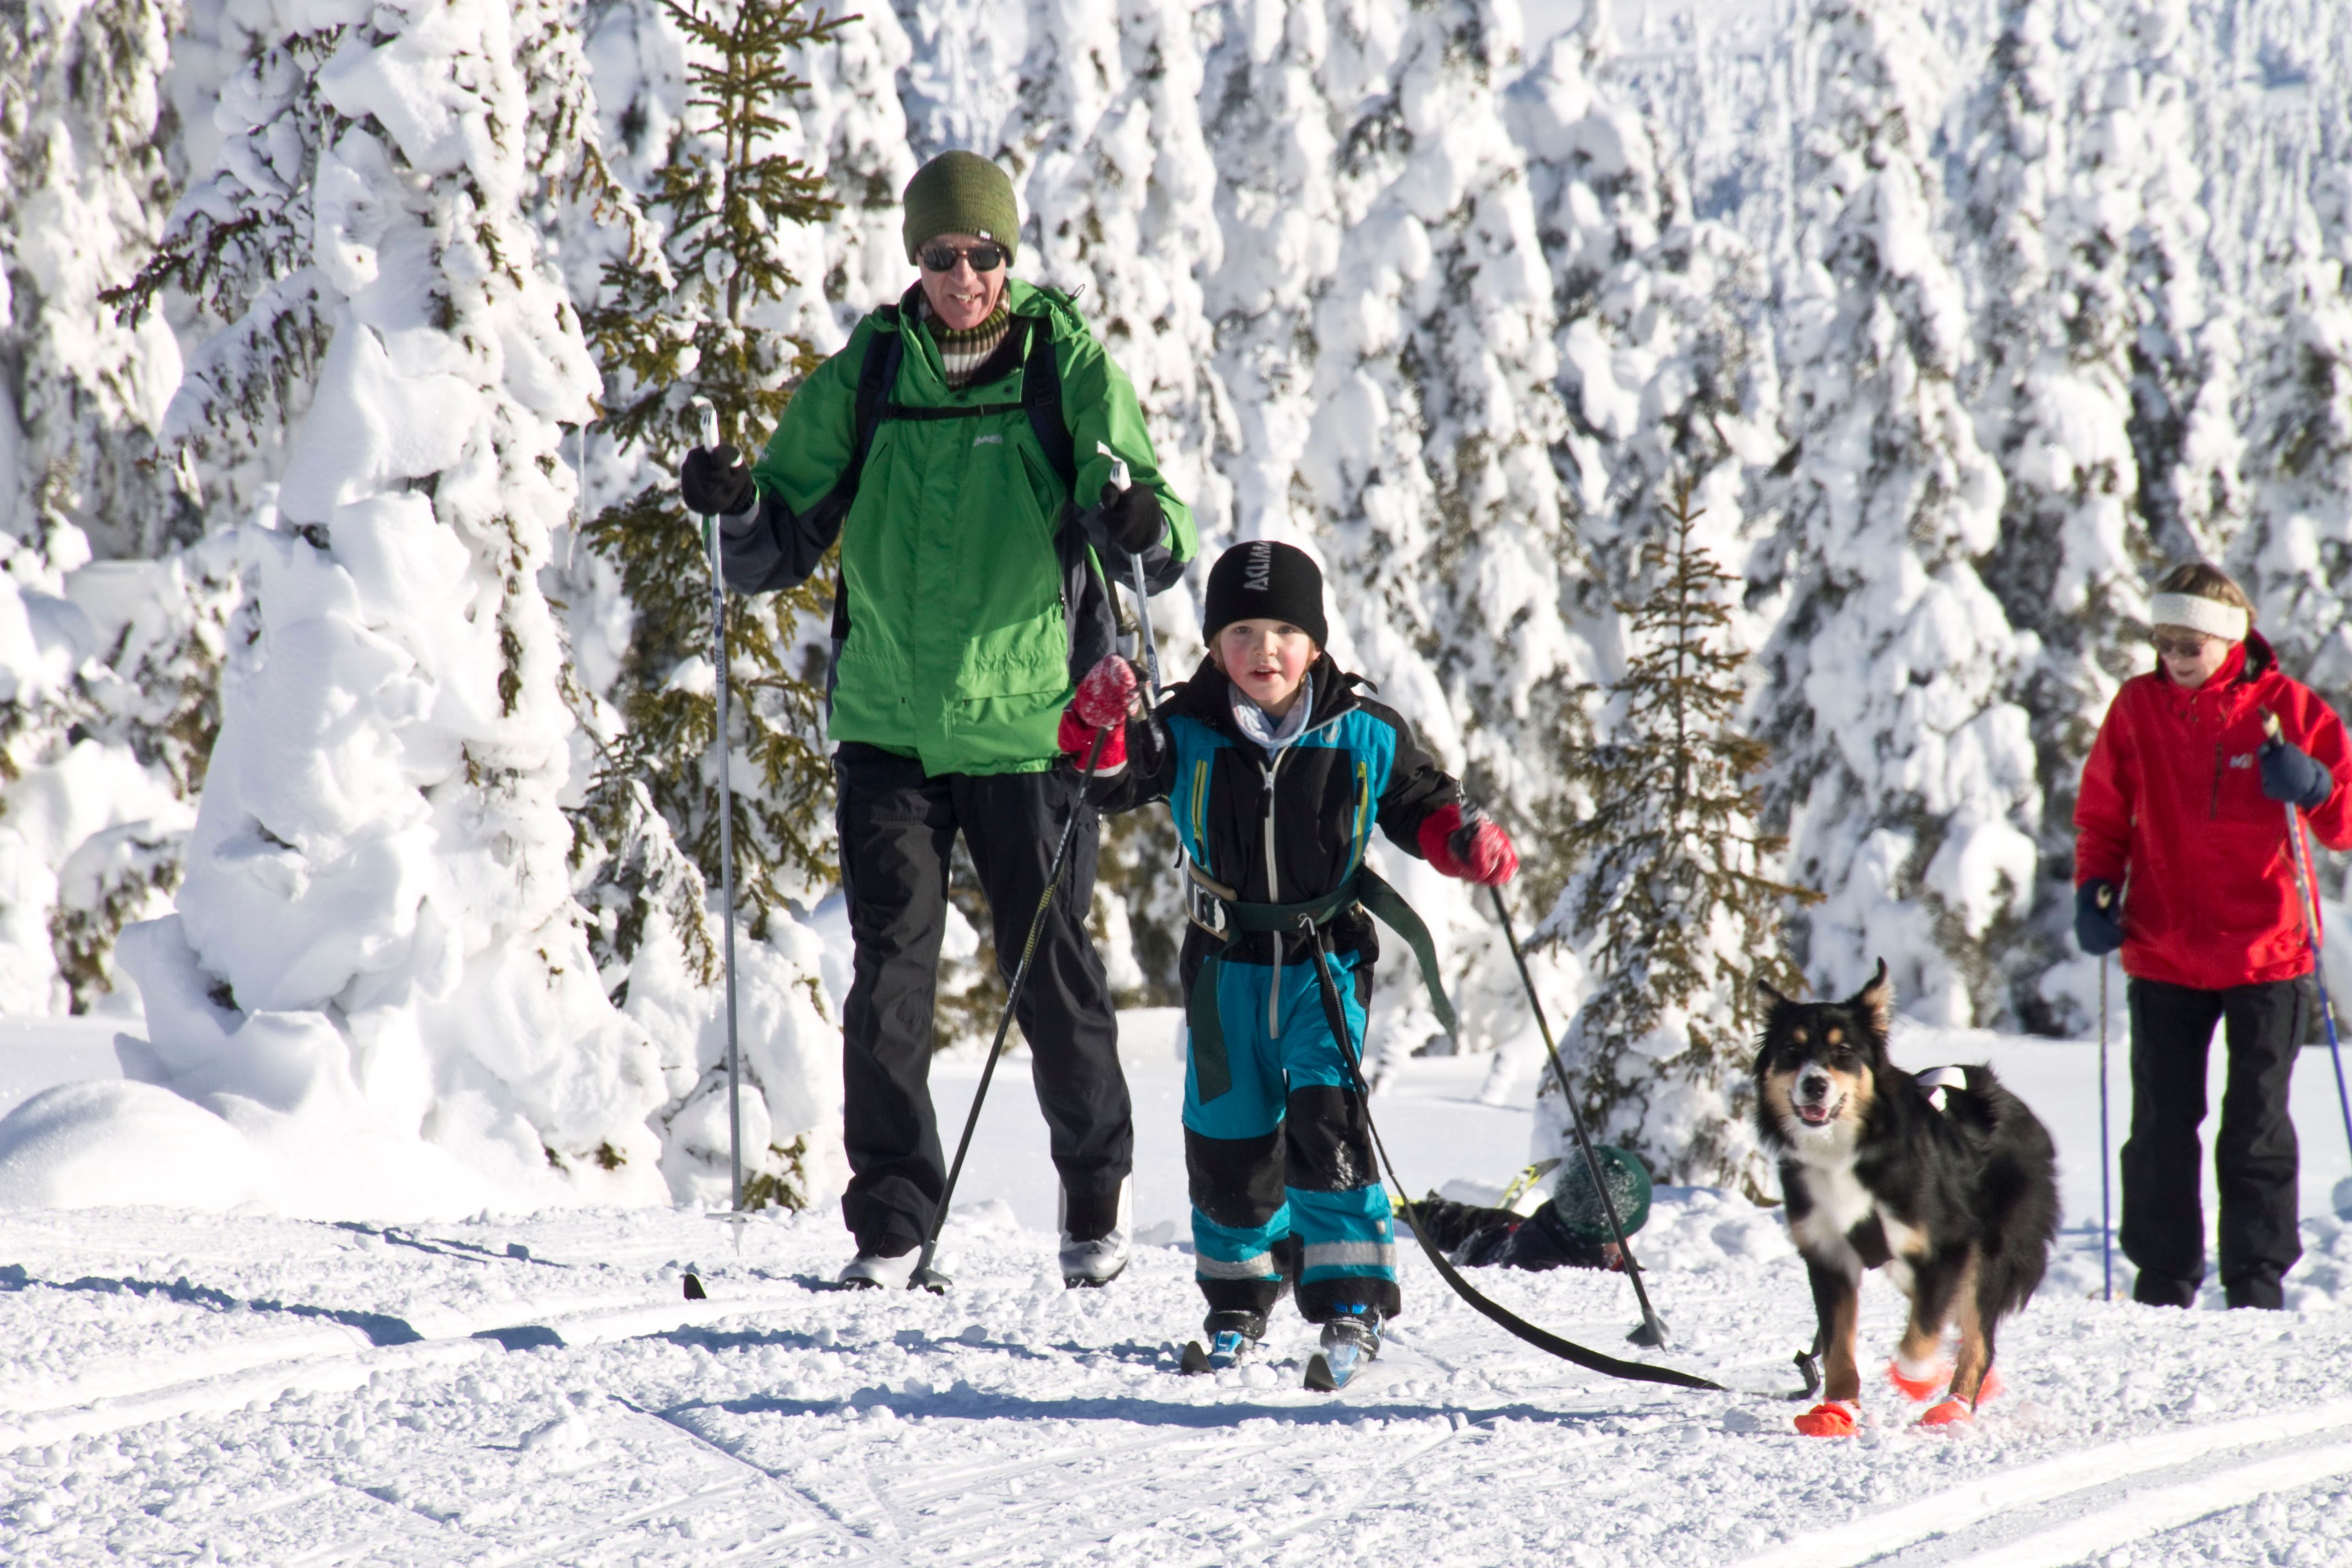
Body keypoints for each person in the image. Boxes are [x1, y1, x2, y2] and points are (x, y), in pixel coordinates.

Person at [679, 150, 1195, 1289]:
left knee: (1050, 969)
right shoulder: (872, 368)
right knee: (890, 982)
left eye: (984, 254)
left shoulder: (1060, 366)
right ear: (917, 258)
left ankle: (1094, 1201)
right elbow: (780, 538)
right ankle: (894, 1221)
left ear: (1012, 257)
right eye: (942, 254)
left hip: (1035, 729)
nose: (964, 275)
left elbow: (1158, 537)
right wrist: (734, 506)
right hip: (892, 729)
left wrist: (1138, 515)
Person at [1059, 539, 1518, 1373]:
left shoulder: (1363, 729)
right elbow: (1106, 782)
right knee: (1228, 1138)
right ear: (1211, 646)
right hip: (1225, 969)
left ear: (1315, 644)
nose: (1261, 650)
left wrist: (1463, 838)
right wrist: (1095, 726)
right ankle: (1239, 1297)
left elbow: (1421, 803)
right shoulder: (1184, 728)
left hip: (1323, 964)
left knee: (1327, 1124)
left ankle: (1351, 1305)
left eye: (1281, 631)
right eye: (1239, 633)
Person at [2074, 563, 2352, 1310]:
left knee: (2255, 1125)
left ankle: (2255, 1283)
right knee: (2161, 1124)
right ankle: (2163, 1283)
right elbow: (2103, 813)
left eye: (2188, 640)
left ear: (2226, 637)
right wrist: (2095, 888)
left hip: (2268, 952)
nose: (2174, 655)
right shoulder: (2137, 709)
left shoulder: (2285, 708)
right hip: (2164, 946)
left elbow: (2346, 820)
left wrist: (2318, 787)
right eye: (2163, 641)